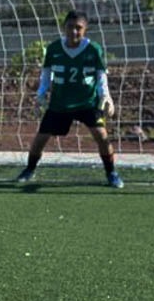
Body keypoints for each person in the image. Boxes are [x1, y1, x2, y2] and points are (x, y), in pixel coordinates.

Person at [16, 10, 123, 188]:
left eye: (78, 28)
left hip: (87, 102)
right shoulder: (53, 49)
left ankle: (111, 172)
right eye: (70, 27)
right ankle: (29, 169)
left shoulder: (93, 49)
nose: (74, 31)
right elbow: (46, 74)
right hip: (60, 103)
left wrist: (106, 95)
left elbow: (100, 75)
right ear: (64, 27)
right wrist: (40, 94)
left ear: (85, 29)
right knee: (40, 138)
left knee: (101, 136)